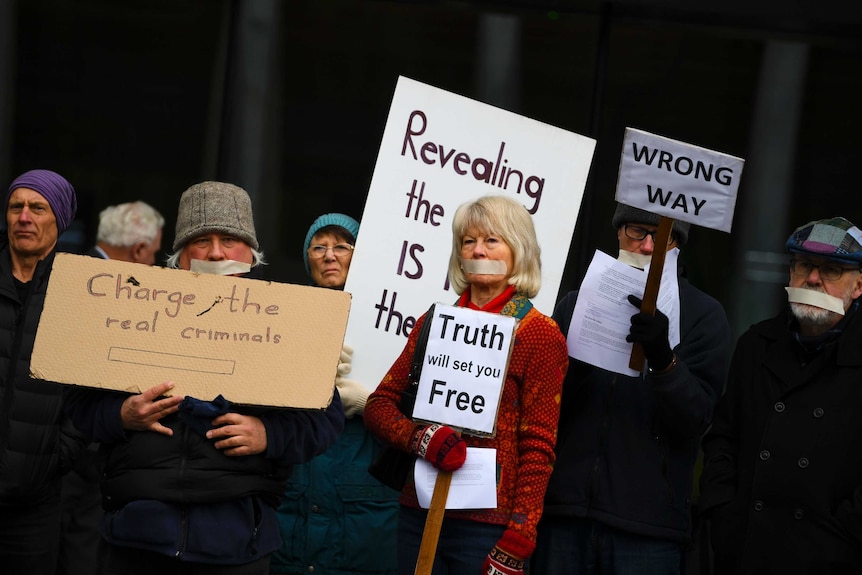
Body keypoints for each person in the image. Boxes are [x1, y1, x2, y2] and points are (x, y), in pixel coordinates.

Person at [63, 181, 345, 574]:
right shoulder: (134, 313)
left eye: (229, 240)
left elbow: (325, 420)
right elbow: (79, 404)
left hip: (235, 543)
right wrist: (123, 413)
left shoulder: (285, 324)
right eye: (201, 241)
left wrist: (268, 434)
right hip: (135, 539)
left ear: (250, 254)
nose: (215, 252)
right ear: (180, 257)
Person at [364, 194, 569, 575]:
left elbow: (539, 445)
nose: (478, 250)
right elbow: (379, 406)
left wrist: (520, 536)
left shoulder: (540, 334)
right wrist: (420, 439)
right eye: (468, 241)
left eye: (492, 240)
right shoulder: (434, 321)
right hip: (419, 514)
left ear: (517, 249)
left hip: (488, 528)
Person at [532, 203, 732, 575]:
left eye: (662, 237)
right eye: (638, 231)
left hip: (647, 531)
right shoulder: (576, 304)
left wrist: (663, 360)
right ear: (619, 234)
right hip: (565, 516)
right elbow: (543, 407)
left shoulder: (704, 315)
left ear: (678, 245)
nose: (647, 247)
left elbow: (697, 419)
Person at [700, 216, 862, 574]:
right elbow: (724, 437)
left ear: (858, 286)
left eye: (832, 270)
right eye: (805, 266)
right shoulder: (757, 345)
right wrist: (722, 511)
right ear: (791, 274)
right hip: (746, 550)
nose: (814, 279)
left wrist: (843, 538)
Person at [270, 213, 399, 575]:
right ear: (307, 260)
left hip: (364, 491)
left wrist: (371, 402)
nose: (330, 255)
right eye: (318, 247)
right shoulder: (283, 319)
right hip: (300, 480)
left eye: (342, 246)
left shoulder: (393, 319)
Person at [58, 201, 166, 575]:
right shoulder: (101, 293)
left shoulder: (73, 275)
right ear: (138, 251)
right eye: (152, 255)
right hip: (77, 452)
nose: (153, 265)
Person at [0, 169, 87, 573]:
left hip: (36, 500)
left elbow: (89, 386)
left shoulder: (77, 292)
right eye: (16, 207)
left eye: (38, 208)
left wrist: (58, 456)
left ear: (60, 219)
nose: (24, 217)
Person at [88, 201, 165, 265]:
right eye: (153, 253)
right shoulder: (101, 280)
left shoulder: (80, 268)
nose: (153, 261)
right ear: (139, 250)